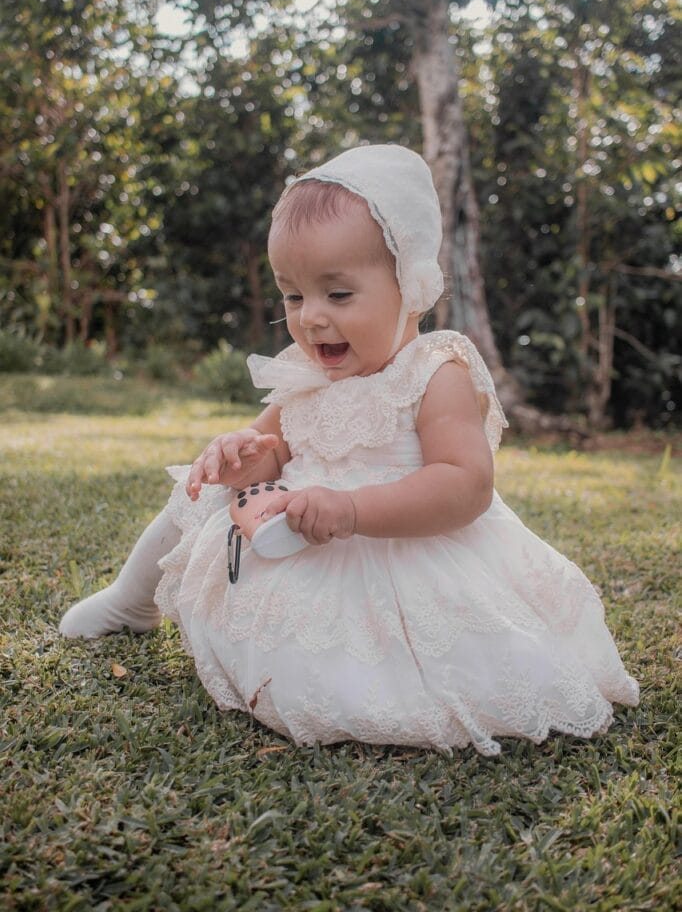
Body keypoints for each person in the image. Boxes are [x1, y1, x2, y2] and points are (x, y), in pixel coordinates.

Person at [59, 144, 639, 755]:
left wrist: (352, 510)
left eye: (337, 295)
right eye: (293, 296)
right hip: (298, 532)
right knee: (197, 493)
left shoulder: (434, 373)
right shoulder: (307, 376)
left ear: (410, 287)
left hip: (399, 546)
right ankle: (131, 599)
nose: (310, 318)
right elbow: (271, 450)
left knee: (360, 670)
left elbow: (466, 485)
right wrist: (241, 454)